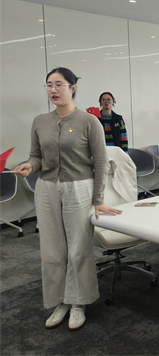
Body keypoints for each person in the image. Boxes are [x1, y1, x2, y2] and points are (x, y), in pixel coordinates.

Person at [13, 67, 122, 331]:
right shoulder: (40, 121)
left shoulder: (89, 121)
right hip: (46, 188)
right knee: (51, 250)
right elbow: (36, 155)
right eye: (49, 85)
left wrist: (98, 199)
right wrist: (30, 165)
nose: (53, 90)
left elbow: (100, 163)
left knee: (78, 249)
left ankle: (78, 302)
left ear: (73, 88)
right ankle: (59, 301)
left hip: (79, 188)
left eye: (59, 84)